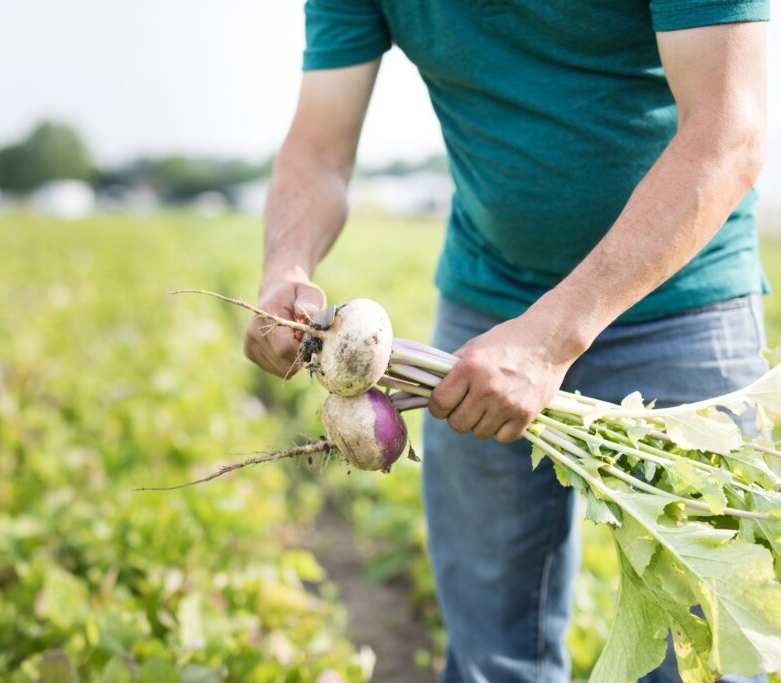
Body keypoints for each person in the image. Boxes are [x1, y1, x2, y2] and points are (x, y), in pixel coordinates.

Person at [242, 1, 771, 681]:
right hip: (488, 299)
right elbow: (318, 148)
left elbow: (729, 129)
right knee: (492, 648)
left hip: (682, 302)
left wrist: (550, 338)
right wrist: (286, 264)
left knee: (708, 642)